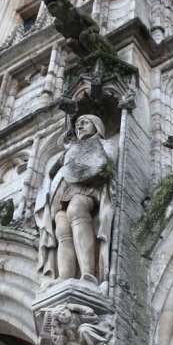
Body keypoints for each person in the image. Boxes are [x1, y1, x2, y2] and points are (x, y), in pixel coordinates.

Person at [35, 114, 116, 285]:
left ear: (97, 126)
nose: (80, 127)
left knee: (76, 210)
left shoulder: (104, 144)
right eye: (78, 124)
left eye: (85, 123)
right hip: (62, 188)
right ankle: (65, 277)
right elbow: (53, 171)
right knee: (62, 230)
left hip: (86, 186)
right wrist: (69, 147)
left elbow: (107, 165)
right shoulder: (71, 149)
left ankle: (88, 273)